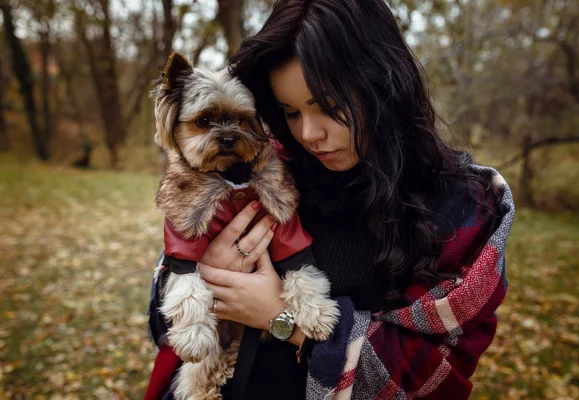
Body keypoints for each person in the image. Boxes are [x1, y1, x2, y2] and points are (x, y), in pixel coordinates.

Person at [145, 0, 515, 399]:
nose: (309, 134)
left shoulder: (463, 207)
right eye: (289, 112)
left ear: (382, 86)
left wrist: (282, 320)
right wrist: (202, 274)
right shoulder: (264, 171)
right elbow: (162, 327)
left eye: (330, 108)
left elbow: (434, 379)